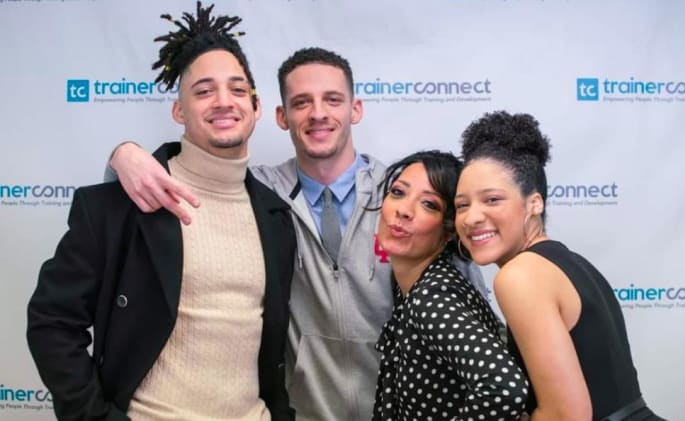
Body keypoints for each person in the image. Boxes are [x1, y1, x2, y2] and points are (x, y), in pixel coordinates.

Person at [106, 48, 489, 420]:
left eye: (333, 100)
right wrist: (121, 154)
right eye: (302, 102)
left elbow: (469, 304)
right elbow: (173, 178)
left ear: (355, 109)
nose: (318, 113)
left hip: (399, 411)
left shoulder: (403, 196)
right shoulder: (257, 195)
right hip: (304, 411)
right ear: (281, 116)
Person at [26, 3, 296, 420]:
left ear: (256, 107)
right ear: (178, 111)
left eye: (238, 89)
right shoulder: (117, 206)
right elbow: (52, 321)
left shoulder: (276, 216)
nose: (224, 102)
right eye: (203, 91)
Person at [454, 110, 664, 420]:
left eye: (492, 199)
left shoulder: (519, 275)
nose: (472, 217)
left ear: (534, 203)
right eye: (462, 205)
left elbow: (567, 416)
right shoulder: (572, 264)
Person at [372, 150, 528, 420]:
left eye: (428, 204)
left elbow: (505, 387)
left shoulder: (432, 296)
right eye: (398, 192)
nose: (404, 210)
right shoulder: (411, 285)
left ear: (449, 230)